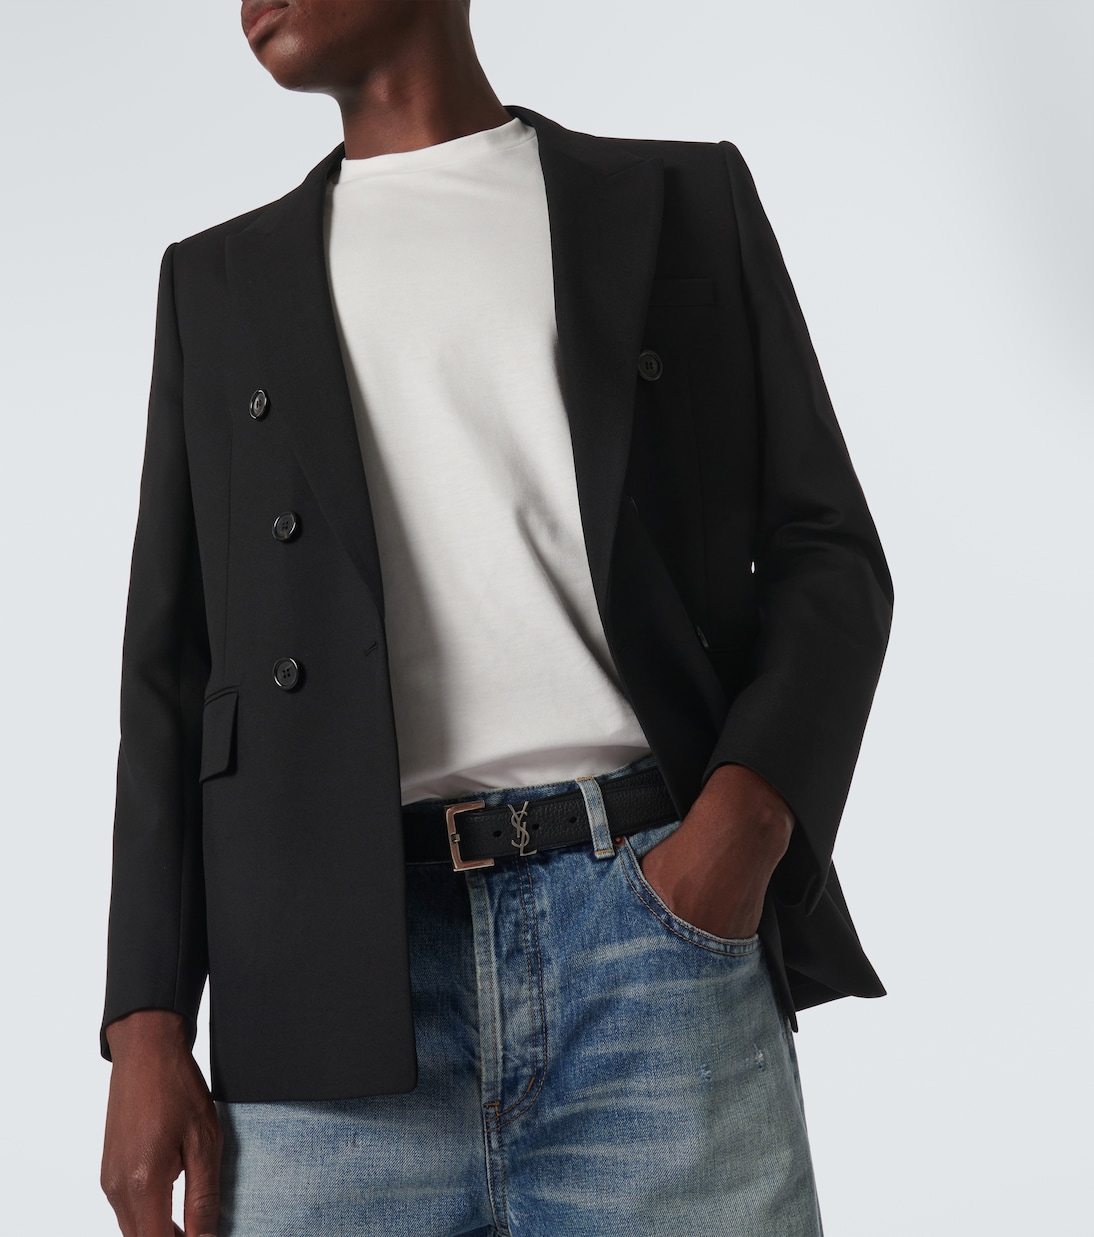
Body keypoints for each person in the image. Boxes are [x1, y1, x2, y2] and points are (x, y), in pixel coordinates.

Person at [99, 2, 893, 1234]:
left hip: (651, 940)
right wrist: (146, 1021)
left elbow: (824, 549)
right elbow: (174, 668)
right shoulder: (217, 282)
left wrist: (739, 825)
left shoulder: (677, 201)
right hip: (323, 981)